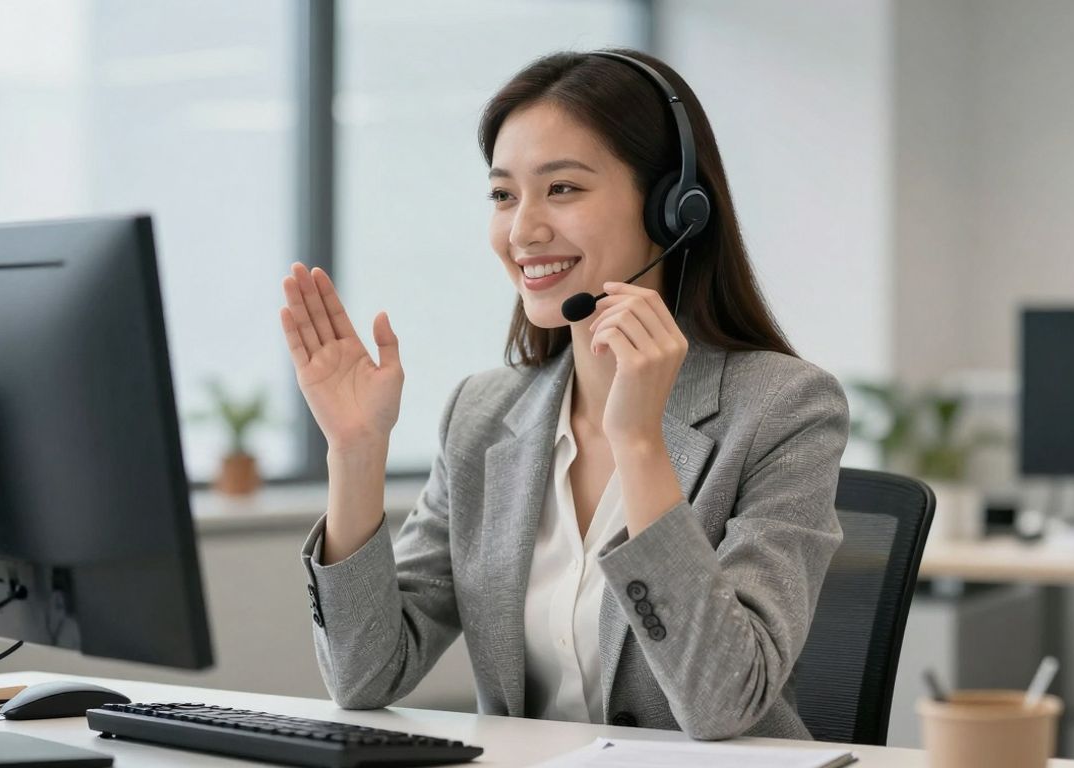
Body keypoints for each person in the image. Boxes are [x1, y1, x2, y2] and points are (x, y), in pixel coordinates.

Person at [281, 48, 848, 741]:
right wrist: (356, 454)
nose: (523, 231)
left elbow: (723, 702)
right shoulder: (482, 416)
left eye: (563, 189)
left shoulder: (785, 409)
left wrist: (640, 444)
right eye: (502, 194)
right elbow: (364, 676)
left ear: (676, 208)